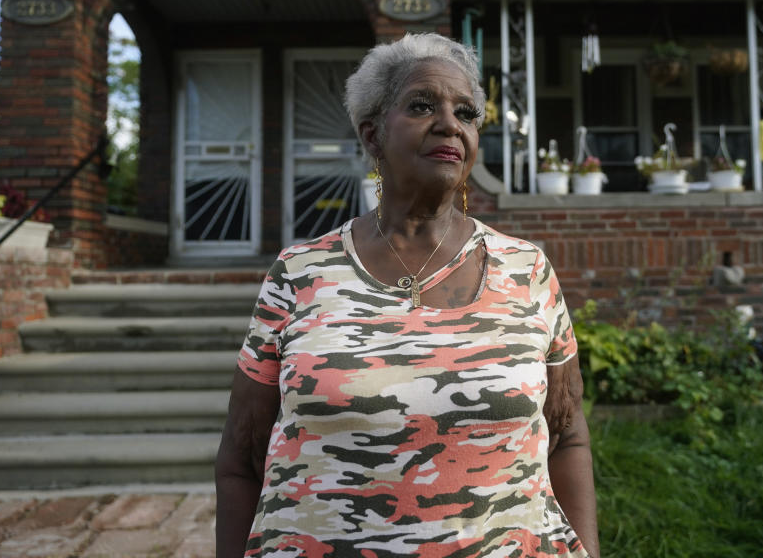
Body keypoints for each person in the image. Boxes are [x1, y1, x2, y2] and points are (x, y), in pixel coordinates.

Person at [215, 33, 600, 558]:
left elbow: (567, 436)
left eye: (466, 113)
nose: (450, 124)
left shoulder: (526, 269)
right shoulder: (299, 273)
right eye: (422, 105)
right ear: (372, 135)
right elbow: (241, 456)